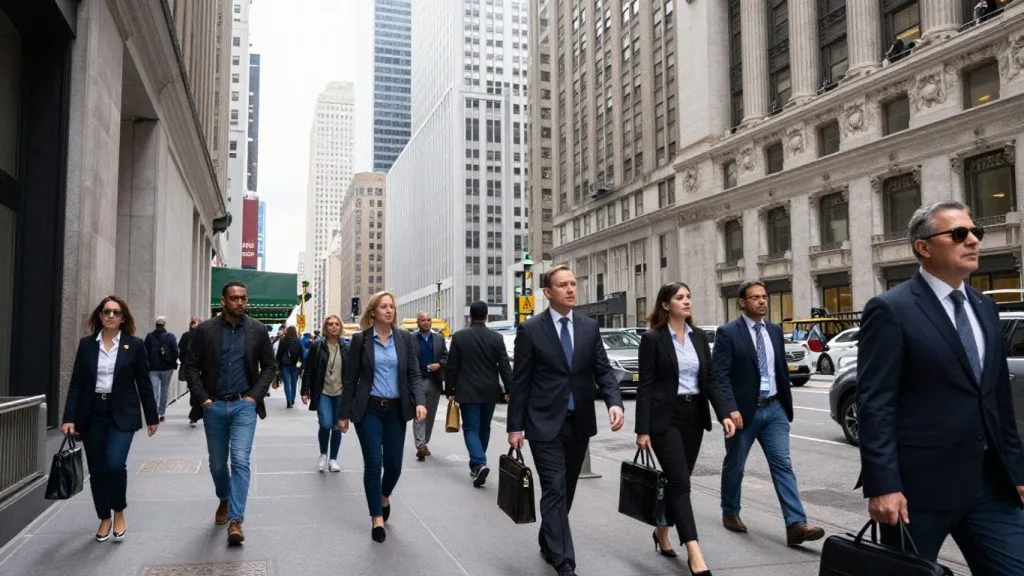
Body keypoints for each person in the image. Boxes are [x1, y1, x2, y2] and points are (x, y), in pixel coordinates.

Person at [857, 201, 1024, 573]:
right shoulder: (890, 309)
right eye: (959, 234)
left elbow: (996, 399)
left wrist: (1017, 472)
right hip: (918, 491)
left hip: (989, 486)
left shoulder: (984, 306)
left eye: (975, 233)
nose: (973, 241)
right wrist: (882, 484)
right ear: (924, 246)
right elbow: (875, 403)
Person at [507, 264, 625, 576]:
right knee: (554, 489)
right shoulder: (531, 330)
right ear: (548, 292)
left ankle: (549, 540)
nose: (571, 289)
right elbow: (520, 382)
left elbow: (603, 370)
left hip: (579, 422)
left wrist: (615, 403)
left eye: (573, 283)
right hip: (543, 422)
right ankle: (565, 560)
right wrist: (515, 426)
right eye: (563, 285)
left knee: (567, 489)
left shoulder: (588, 327)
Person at [711, 280, 825, 546]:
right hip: (744, 412)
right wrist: (729, 409)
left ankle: (796, 524)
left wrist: (785, 404)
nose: (762, 301)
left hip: (774, 409)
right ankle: (730, 511)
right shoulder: (728, 333)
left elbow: (779, 370)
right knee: (735, 464)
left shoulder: (774, 331)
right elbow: (720, 376)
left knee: (783, 466)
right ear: (742, 302)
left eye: (764, 297)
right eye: (755, 297)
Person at [636, 283, 735, 576]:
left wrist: (724, 413)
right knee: (681, 484)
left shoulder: (700, 338)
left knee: (676, 481)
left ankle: (661, 531)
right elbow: (646, 386)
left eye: (689, 296)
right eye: (680, 298)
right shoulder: (653, 339)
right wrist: (642, 430)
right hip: (665, 420)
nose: (687, 301)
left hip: (694, 417)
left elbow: (711, 380)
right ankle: (694, 551)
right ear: (666, 305)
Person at [183, 281, 276, 545]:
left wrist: (253, 397)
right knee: (216, 463)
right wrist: (203, 400)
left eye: (243, 299)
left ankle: (236, 520)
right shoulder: (205, 330)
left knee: (240, 460)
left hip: (243, 406)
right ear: (224, 300)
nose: (239, 303)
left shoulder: (257, 330)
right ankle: (224, 497)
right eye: (234, 298)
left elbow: (269, 366)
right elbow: (191, 367)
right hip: (214, 406)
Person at [61, 296, 158, 542]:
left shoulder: (134, 345)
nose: (111, 316)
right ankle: (104, 517)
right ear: (100, 315)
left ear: (123, 318)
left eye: (116, 312)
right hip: (91, 412)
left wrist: (152, 416)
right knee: (97, 469)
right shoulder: (86, 345)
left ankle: (119, 511)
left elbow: (144, 383)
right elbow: (76, 384)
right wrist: (68, 416)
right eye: (107, 311)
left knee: (115, 464)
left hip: (122, 413)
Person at [338, 291, 427, 543]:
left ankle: (384, 495)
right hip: (369, 410)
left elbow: (414, 374)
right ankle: (376, 518)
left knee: (395, 466)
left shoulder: (405, 339)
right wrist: (343, 415)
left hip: (396, 410)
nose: (389, 310)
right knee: (373, 463)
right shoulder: (360, 340)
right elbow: (350, 379)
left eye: (392, 307)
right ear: (373, 311)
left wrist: (420, 401)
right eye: (384, 306)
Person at [445, 300, 512, 486]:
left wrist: (449, 389)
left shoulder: (459, 337)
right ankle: (477, 465)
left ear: (471, 316)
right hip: (490, 391)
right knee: (484, 427)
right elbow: (505, 366)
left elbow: (452, 367)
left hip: (467, 391)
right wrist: (510, 390)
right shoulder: (496, 338)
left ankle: (479, 462)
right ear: (486, 316)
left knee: (470, 429)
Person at [301, 315, 346, 472]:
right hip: (323, 392)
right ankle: (323, 454)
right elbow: (309, 370)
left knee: (337, 426)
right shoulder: (317, 346)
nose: (333, 327)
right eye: (330, 324)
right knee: (326, 424)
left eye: (336, 324)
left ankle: (333, 459)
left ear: (340, 327)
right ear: (325, 328)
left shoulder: (346, 346)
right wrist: (304, 391)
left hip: (340, 392)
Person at [412, 311, 448, 461]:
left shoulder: (439, 338)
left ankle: (424, 442)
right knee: (419, 413)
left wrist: (439, 365)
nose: (426, 322)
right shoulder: (411, 338)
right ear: (418, 322)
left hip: (434, 382)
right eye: (422, 320)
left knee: (430, 414)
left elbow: (446, 356)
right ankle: (420, 445)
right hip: (417, 381)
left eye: (428, 320)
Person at [144, 316, 179, 422]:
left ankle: (153, 413)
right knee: (164, 390)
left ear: (156, 324)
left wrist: (147, 364)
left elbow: (144, 352)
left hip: (153, 368)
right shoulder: (170, 336)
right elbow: (176, 352)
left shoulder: (149, 337)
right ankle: (161, 413)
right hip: (167, 368)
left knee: (154, 390)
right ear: (164, 325)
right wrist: (173, 363)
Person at [179, 317, 202, 427]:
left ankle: (194, 407)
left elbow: (181, 350)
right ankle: (195, 410)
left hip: (189, 366)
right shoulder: (203, 335)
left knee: (193, 387)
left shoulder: (185, 335)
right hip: (201, 367)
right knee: (197, 387)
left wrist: (184, 361)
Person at [276, 326, 302, 408]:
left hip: (285, 365)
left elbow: (279, 354)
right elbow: (302, 355)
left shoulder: (283, 341)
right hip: (295, 365)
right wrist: (302, 365)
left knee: (287, 384)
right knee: (294, 383)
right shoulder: (298, 341)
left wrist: (277, 364)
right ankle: (292, 399)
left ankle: (288, 400)